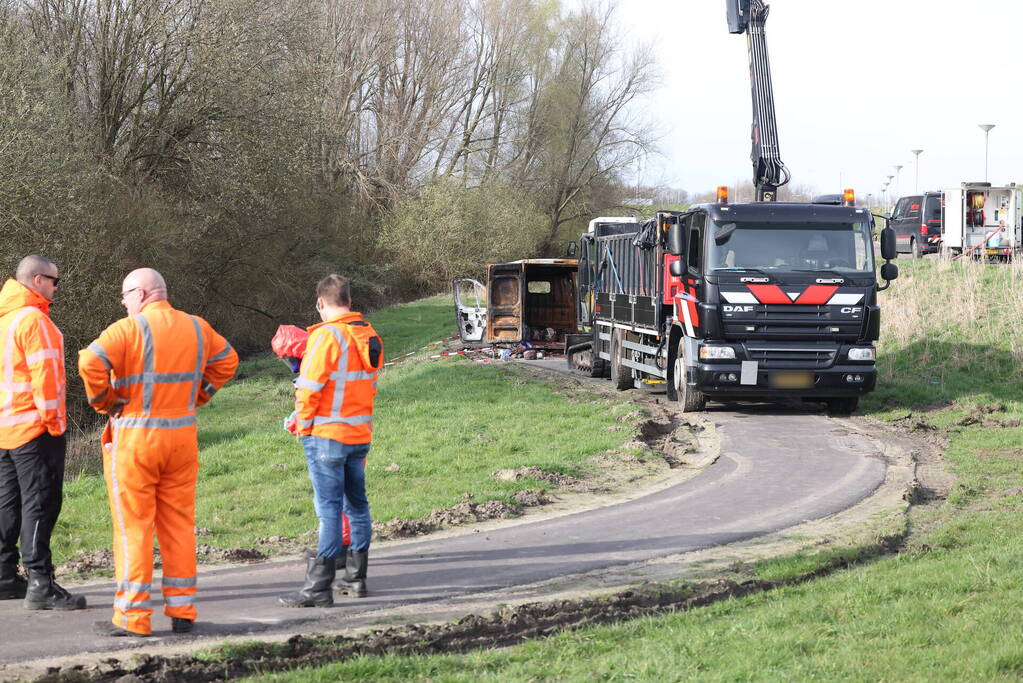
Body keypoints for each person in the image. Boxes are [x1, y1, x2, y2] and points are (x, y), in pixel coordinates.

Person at [78, 268, 238, 636]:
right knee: (179, 525)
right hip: (181, 438)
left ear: (143, 293)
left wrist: (107, 401)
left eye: (125, 295)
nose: (122, 302)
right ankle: (182, 610)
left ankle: (134, 617)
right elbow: (228, 361)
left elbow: (89, 361)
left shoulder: (127, 330)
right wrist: (199, 396)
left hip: (136, 440)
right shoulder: (197, 327)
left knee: (133, 527)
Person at [279, 274, 382, 608]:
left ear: (321, 303)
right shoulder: (369, 335)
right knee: (358, 507)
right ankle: (356, 580)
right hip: (359, 434)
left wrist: (303, 427)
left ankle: (319, 588)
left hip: (326, 437)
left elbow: (308, 389)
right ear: (350, 302)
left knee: (329, 511)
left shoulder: (325, 337)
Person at [0, 255, 86, 610]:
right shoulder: (35, 321)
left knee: (8, 505)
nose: (56, 288)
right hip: (34, 429)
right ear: (38, 280)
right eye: (54, 281)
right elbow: (47, 379)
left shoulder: (4, 320)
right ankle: (40, 582)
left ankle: (5, 577)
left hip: (4, 430)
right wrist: (55, 424)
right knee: (41, 503)